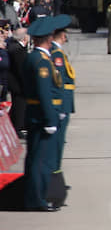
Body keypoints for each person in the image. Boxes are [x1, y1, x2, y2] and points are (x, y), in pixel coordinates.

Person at [22, 16, 66, 211]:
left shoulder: (33, 57)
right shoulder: (41, 61)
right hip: (41, 116)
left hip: (35, 113)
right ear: (48, 38)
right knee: (41, 161)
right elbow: (43, 92)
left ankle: (34, 196)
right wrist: (50, 118)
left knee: (35, 158)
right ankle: (38, 199)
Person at [48, 15, 74, 181]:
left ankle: (55, 175)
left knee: (59, 142)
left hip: (63, 103)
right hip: (61, 104)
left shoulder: (57, 53)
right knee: (57, 143)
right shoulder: (56, 55)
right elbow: (59, 83)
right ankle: (54, 177)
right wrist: (62, 107)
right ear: (62, 36)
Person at [6, 25, 29, 137]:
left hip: (14, 82)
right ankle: (18, 127)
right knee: (20, 105)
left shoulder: (14, 47)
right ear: (24, 38)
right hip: (17, 83)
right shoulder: (18, 50)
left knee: (17, 105)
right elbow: (21, 69)